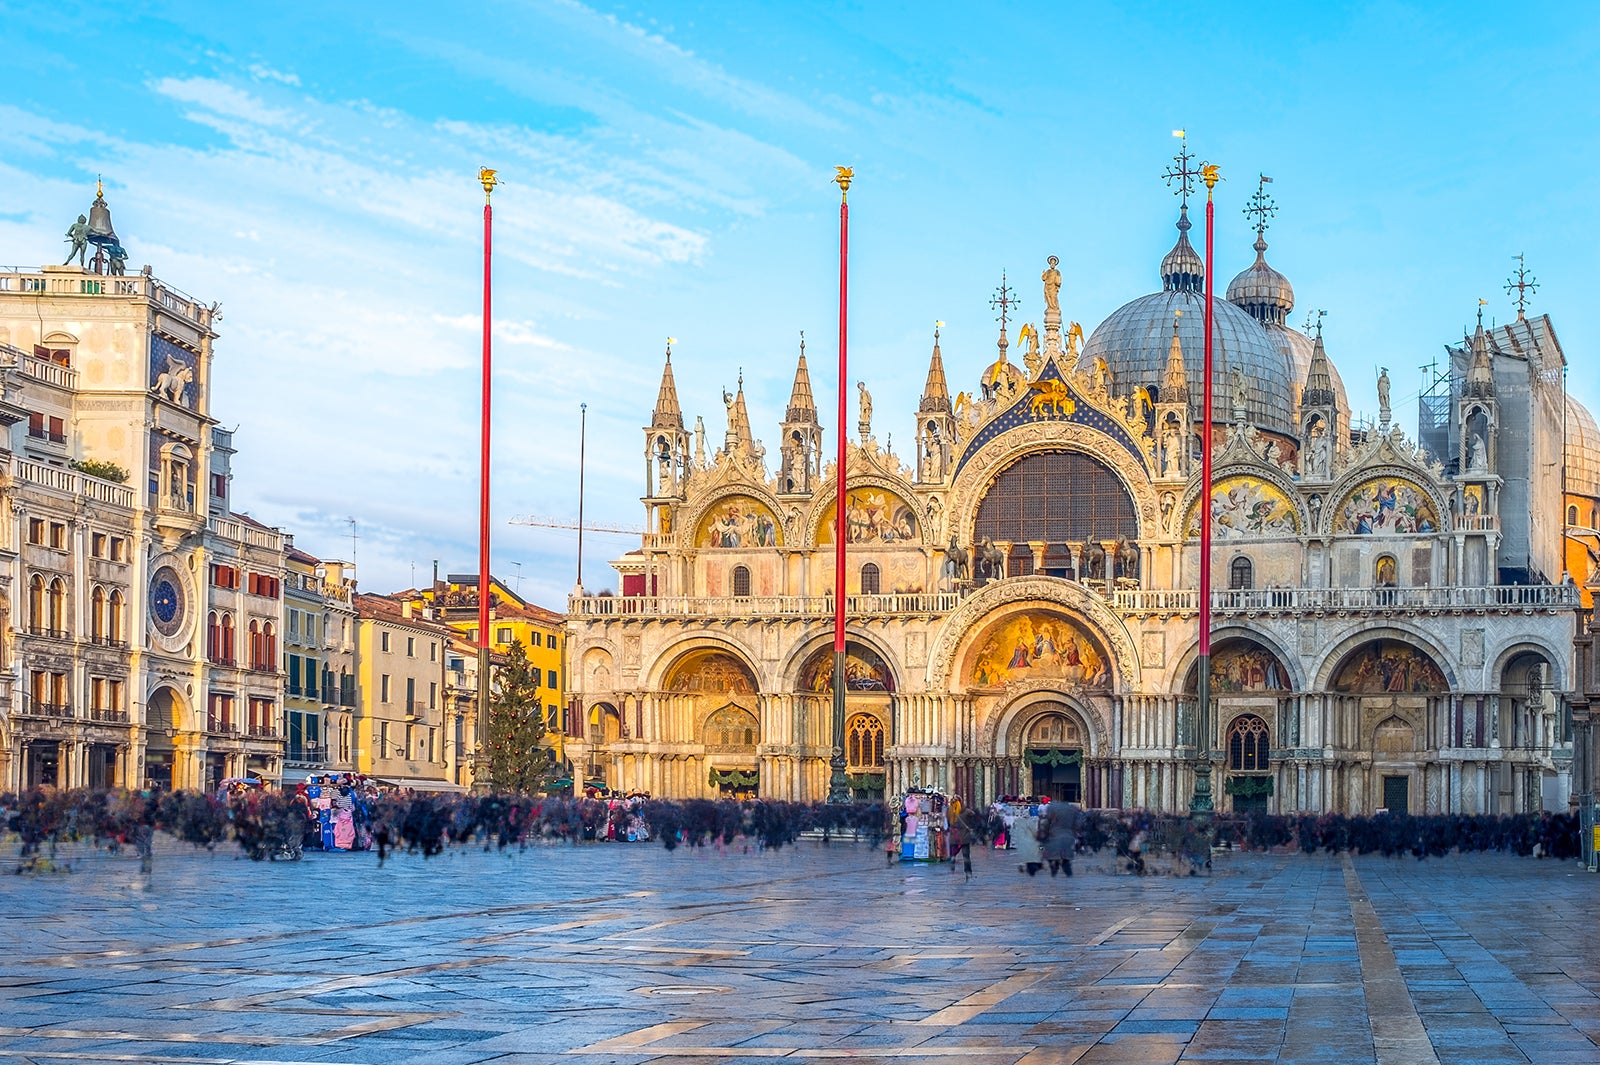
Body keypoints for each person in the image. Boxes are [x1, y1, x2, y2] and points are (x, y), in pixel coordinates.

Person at [1037, 799, 1081, 877]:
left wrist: (1042, 835)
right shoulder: (1071, 812)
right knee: (1065, 858)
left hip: (1054, 837)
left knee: (1053, 855)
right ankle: (1067, 873)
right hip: (1068, 837)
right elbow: (1077, 826)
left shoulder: (1052, 810)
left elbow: (1046, 824)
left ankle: (1055, 869)